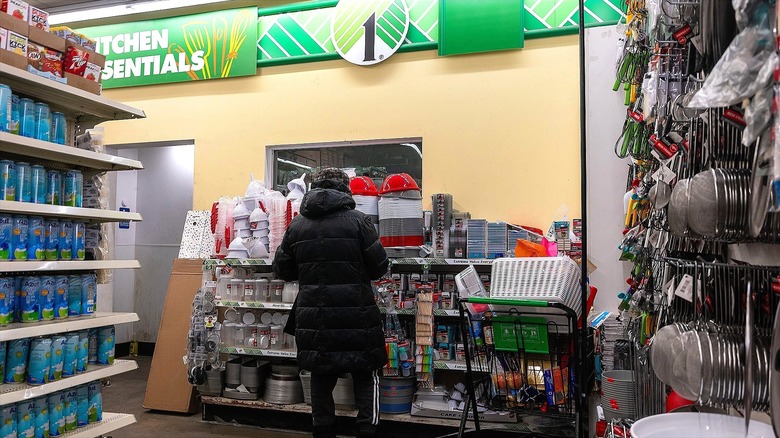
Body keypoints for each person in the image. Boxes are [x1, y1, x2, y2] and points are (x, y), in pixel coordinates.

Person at [273, 168, 389, 438]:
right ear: (346, 189)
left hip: (316, 315)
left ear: (313, 188)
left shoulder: (297, 225)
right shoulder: (359, 222)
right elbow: (379, 267)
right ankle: (366, 431)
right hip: (357, 314)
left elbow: (282, 269)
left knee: (321, 376)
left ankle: (323, 431)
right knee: (365, 373)